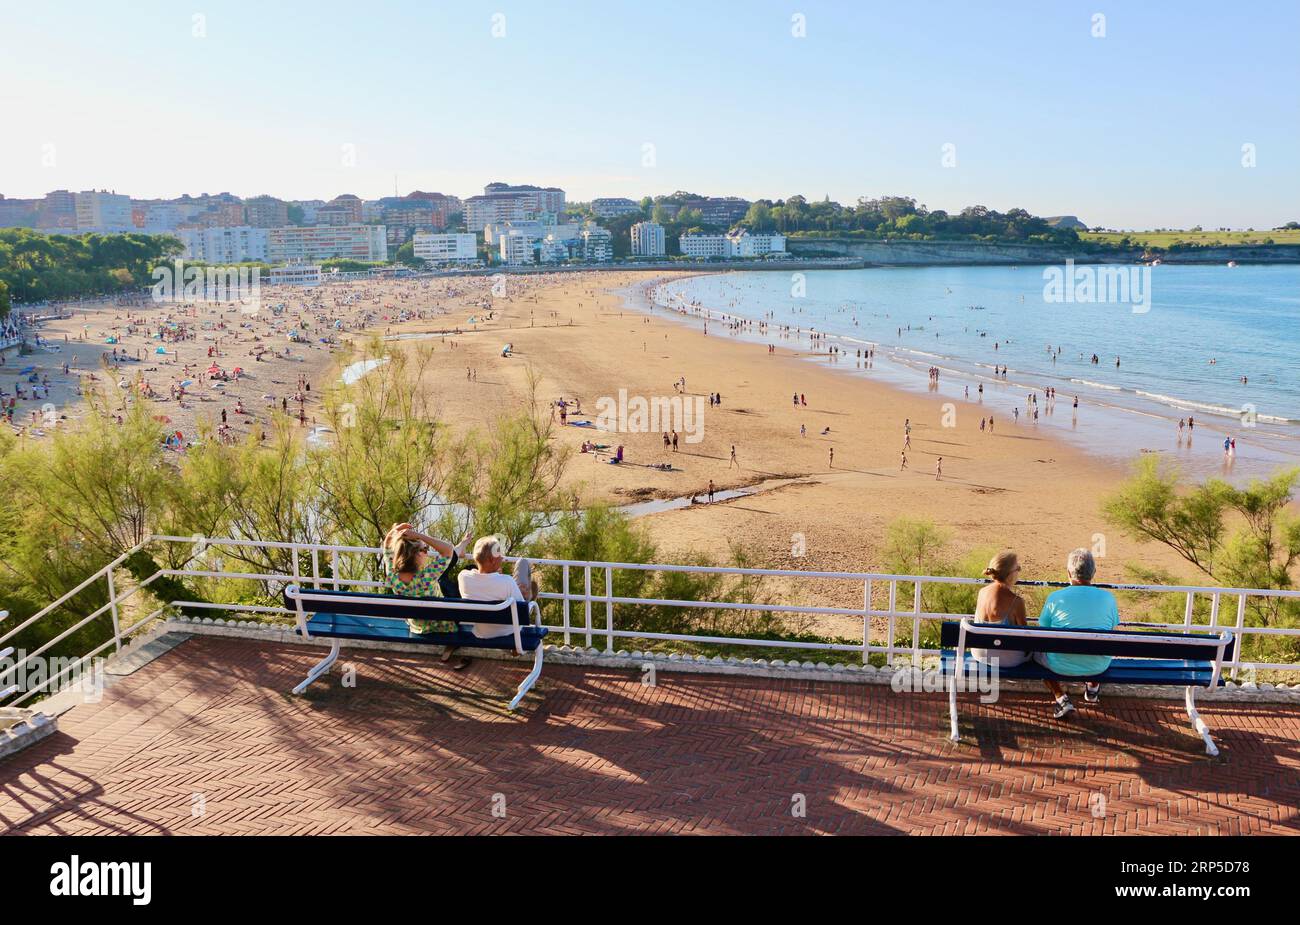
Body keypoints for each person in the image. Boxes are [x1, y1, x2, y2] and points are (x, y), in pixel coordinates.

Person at [1035, 548, 1119, 718]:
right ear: (1093, 572)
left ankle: (1061, 697)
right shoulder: (1108, 598)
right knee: (1098, 644)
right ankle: (1093, 687)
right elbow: (1112, 628)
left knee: (1036, 654)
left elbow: (1043, 628)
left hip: (1059, 665)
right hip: (1098, 666)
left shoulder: (1055, 597)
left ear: (1068, 573)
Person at [382, 522, 471, 669]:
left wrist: (392, 533)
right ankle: (462, 548)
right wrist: (418, 535)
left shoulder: (392, 577)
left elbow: (386, 550)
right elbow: (448, 550)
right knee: (461, 575)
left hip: (417, 626)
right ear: (414, 555)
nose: (427, 552)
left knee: (443, 579)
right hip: (444, 626)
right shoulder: (427, 576)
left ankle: (461, 547)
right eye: (424, 549)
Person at [457, 536, 539, 640]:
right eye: (500, 554)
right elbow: (524, 611)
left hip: (482, 632)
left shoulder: (463, 577)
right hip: (509, 632)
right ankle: (529, 595)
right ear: (492, 560)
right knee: (523, 564)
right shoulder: (507, 581)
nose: (502, 557)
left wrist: (494, 574)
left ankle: (525, 592)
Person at [971, 551, 1029, 668]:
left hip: (979, 654)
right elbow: (1025, 636)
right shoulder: (1016, 602)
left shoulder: (982, 592)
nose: (1019, 571)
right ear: (1010, 574)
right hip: (1006, 660)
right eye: (1018, 568)